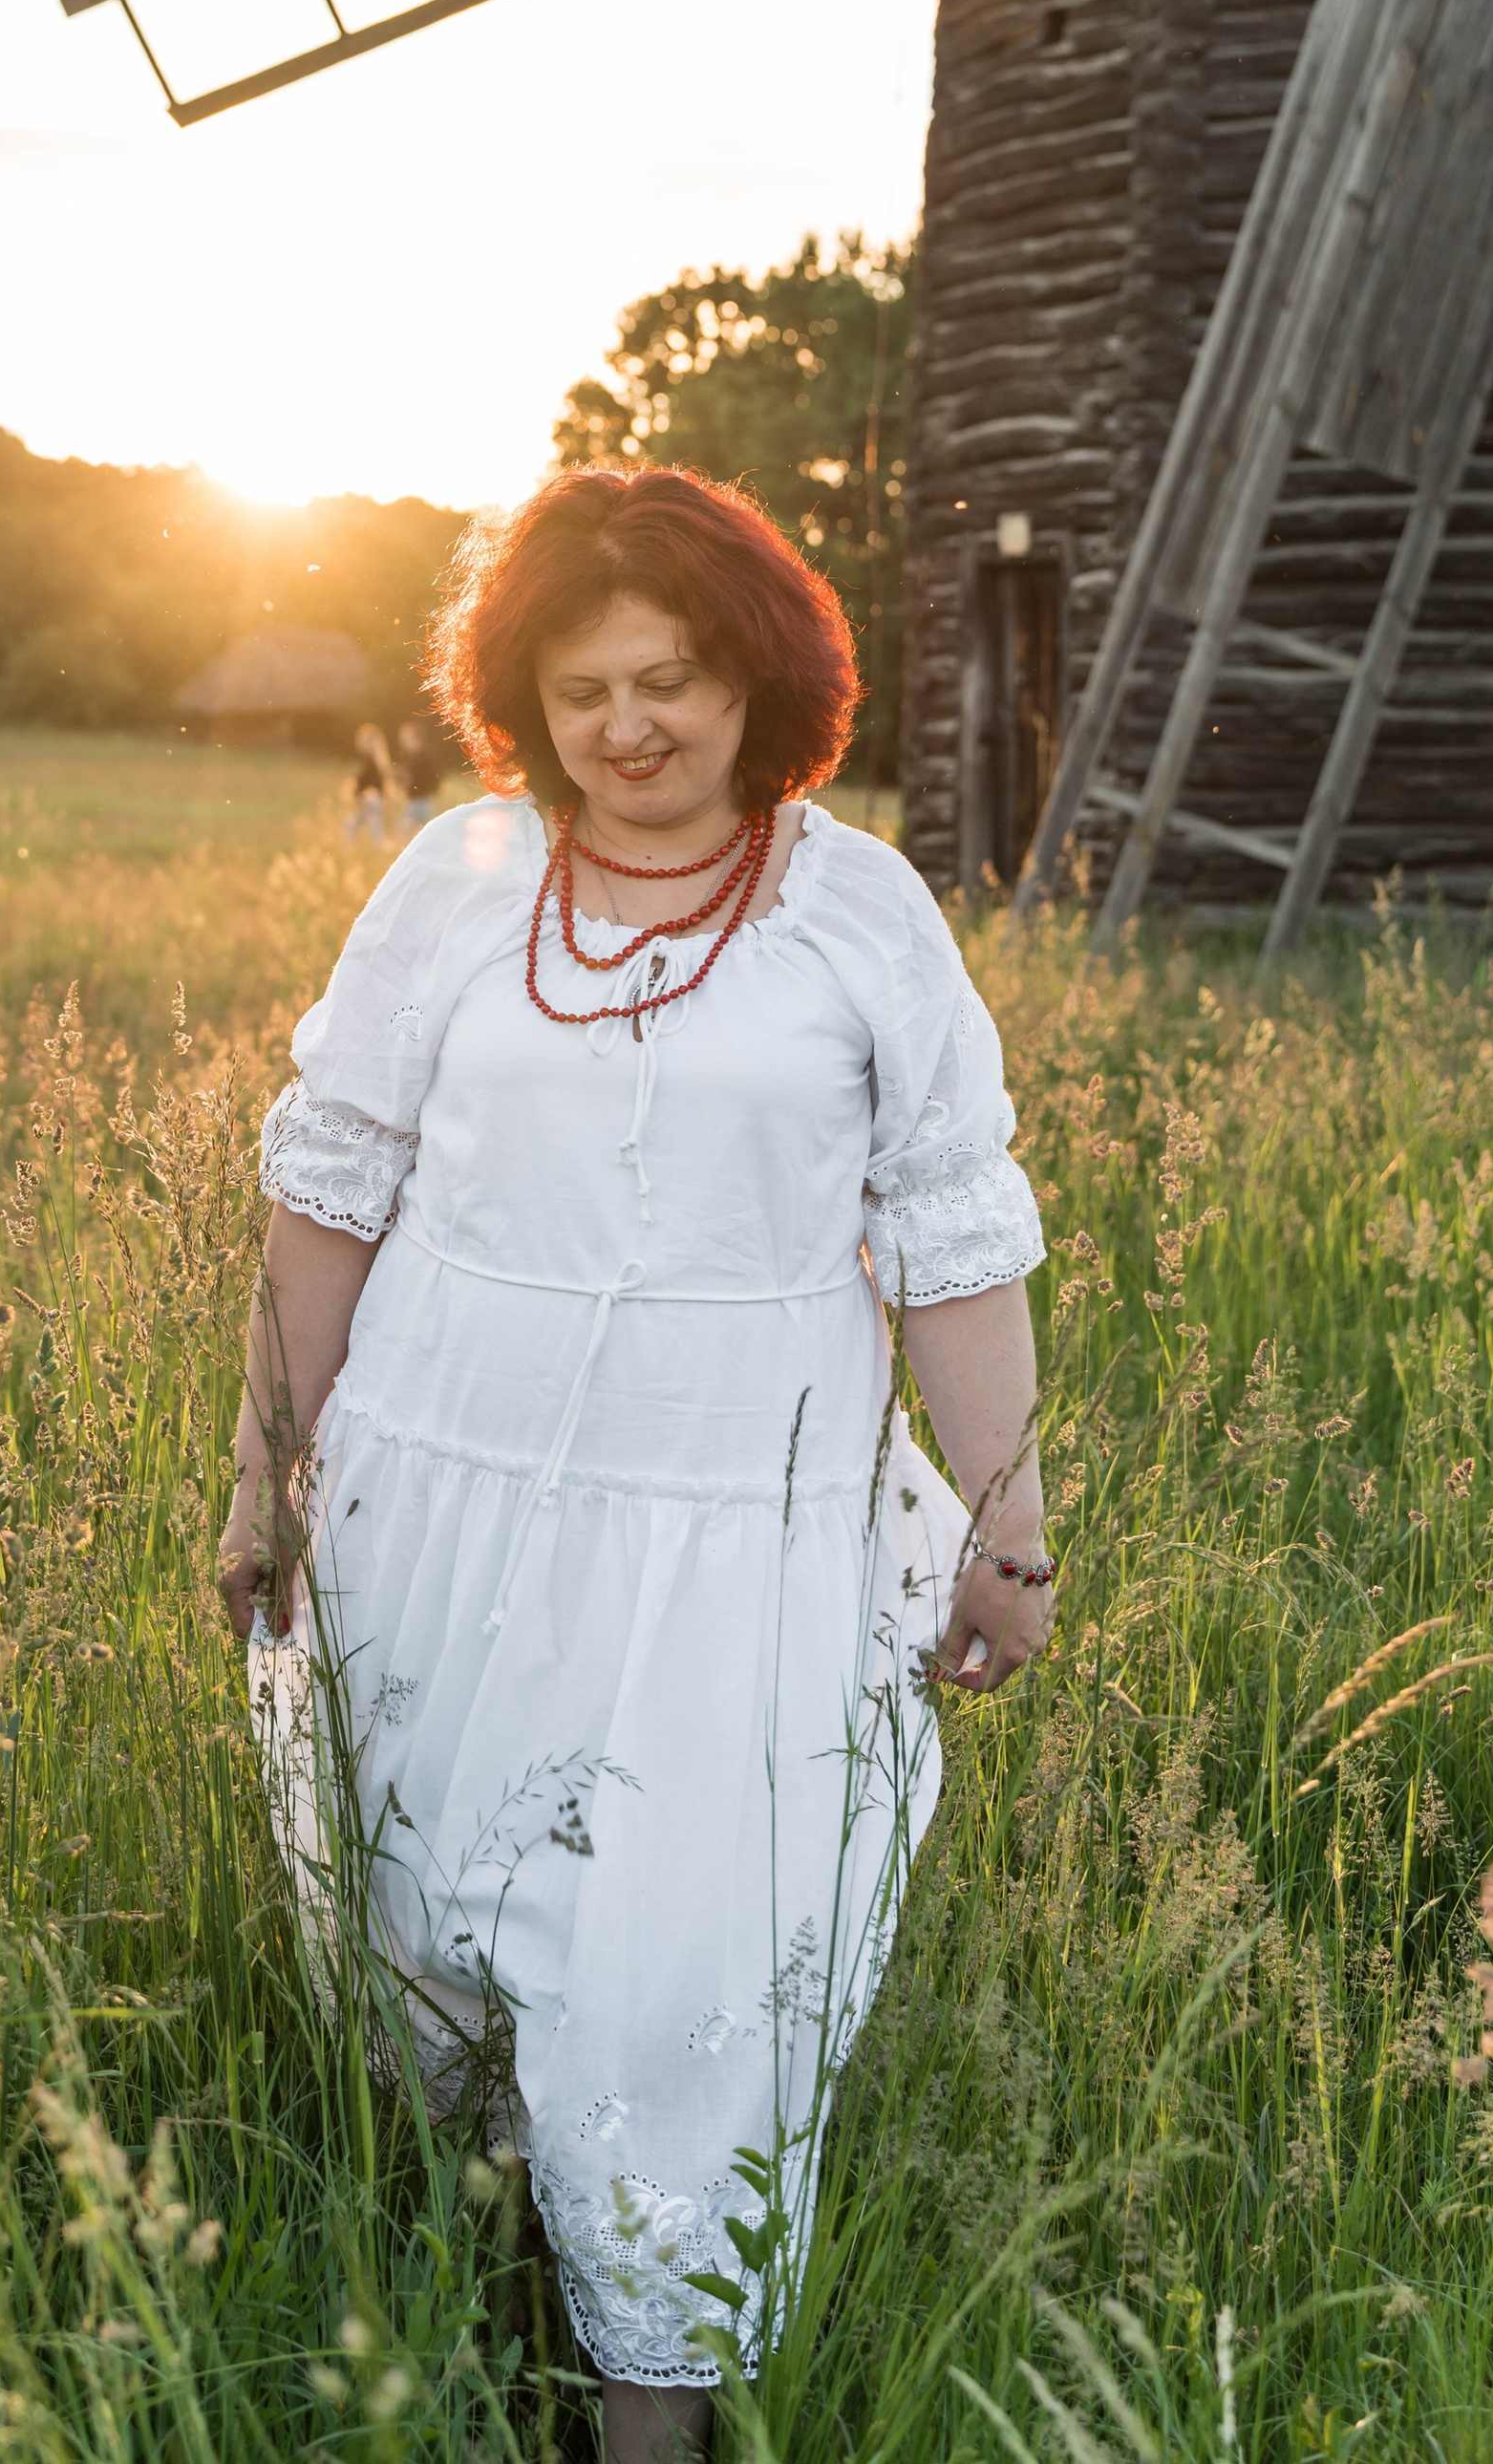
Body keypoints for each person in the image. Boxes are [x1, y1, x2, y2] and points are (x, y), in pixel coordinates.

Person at [220, 466, 1053, 2460]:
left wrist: (1004, 1525)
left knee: (687, 1978)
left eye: (668, 677)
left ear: (757, 672)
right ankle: (466, 2314)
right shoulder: (454, 885)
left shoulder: (857, 910)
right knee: (424, 1938)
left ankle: (650, 2416)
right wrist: (264, 1471)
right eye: (581, 688)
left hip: (734, 1532)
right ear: (524, 696)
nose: (627, 727)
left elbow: (951, 1235)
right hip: (437, 1497)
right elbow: (328, 1199)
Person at [345, 722, 394, 845]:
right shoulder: (376, 760)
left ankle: (352, 849)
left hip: (370, 800)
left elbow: (372, 783)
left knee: (354, 828)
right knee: (374, 831)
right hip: (372, 800)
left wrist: (359, 791)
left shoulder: (372, 762)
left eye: (362, 739)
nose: (359, 742)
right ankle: (381, 849)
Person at [394, 716, 441, 828]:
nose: (404, 743)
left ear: (417, 739)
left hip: (421, 798)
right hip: (417, 797)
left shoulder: (424, 758)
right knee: (426, 826)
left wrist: (406, 780)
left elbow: (430, 777)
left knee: (406, 827)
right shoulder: (410, 758)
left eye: (407, 739)